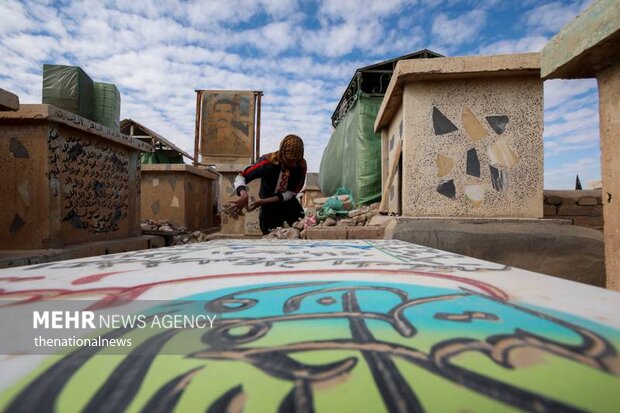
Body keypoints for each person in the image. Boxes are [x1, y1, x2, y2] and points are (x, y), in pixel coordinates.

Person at [230, 134, 307, 234]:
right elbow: (241, 176)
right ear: (283, 155)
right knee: (272, 236)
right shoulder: (268, 163)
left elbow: (291, 193)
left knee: (304, 228)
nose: (293, 165)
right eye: (290, 161)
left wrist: (262, 202)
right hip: (269, 207)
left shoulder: (301, 166)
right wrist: (244, 194)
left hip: (289, 204)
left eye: (296, 162)